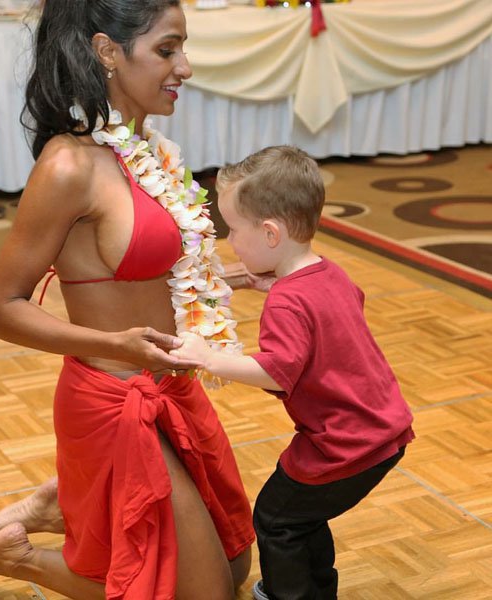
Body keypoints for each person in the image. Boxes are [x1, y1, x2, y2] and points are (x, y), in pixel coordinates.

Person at [0, 1, 255, 599]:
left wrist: (237, 279)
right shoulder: (68, 165)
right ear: (108, 52)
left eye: (182, 48)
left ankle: (66, 501)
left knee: (235, 569)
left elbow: (155, 270)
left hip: (172, 388)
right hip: (113, 401)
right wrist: (113, 344)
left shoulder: (150, 151)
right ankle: (23, 557)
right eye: (167, 49)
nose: (184, 66)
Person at [170, 145, 415, 600]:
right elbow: (337, 314)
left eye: (233, 230)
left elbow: (278, 371)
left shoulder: (287, 300)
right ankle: (316, 590)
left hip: (343, 444)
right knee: (301, 517)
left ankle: (289, 595)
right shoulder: (330, 272)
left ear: (269, 233)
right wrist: (278, 284)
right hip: (383, 431)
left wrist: (204, 355)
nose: (230, 242)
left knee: (276, 517)